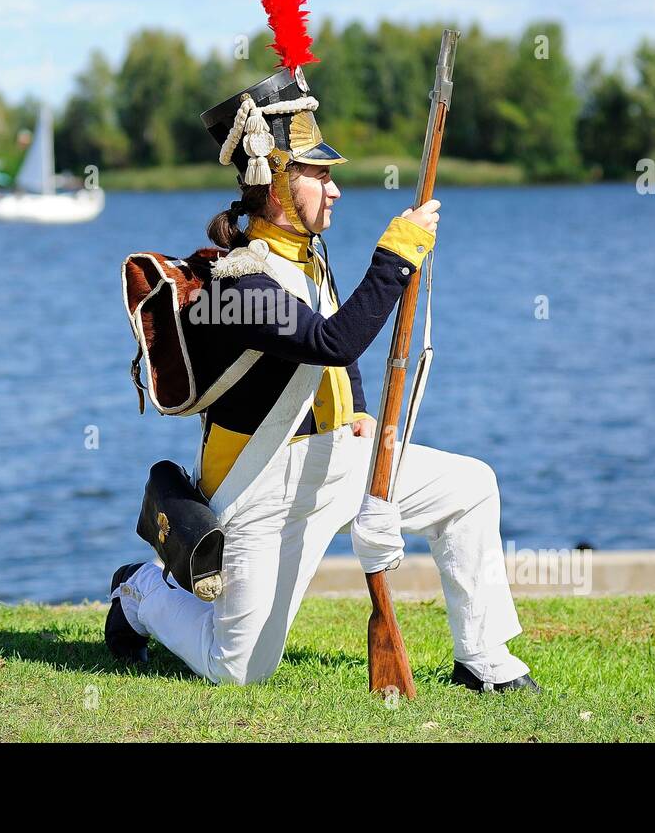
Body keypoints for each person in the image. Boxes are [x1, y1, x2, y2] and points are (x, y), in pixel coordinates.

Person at [106, 57, 539, 693]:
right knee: (239, 669)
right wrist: (392, 260)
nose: (334, 188)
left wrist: (359, 412)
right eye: (316, 174)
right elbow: (331, 341)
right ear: (273, 183)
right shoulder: (239, 285)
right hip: (265, 486)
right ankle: (140, 593)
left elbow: (339, 348)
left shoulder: (307, 258)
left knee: (471, 487)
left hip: (339, 456)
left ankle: (485, 661)